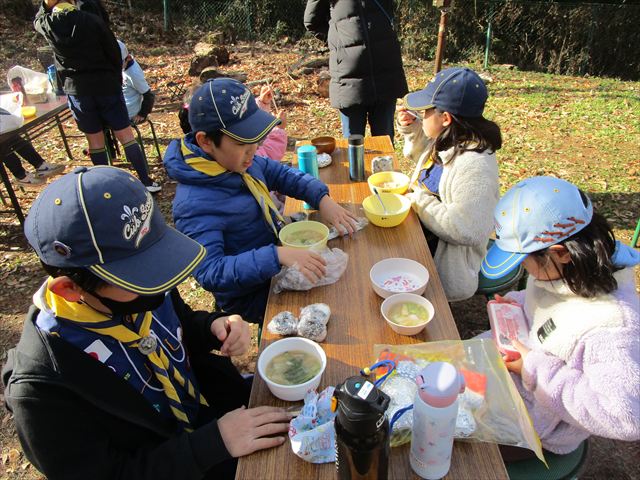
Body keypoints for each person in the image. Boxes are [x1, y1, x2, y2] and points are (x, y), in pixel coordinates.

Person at [1, 166, 292, 480]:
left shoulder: (145, 286)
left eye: (157, 261)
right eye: (139, 276)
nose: (160, 282)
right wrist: (210, 444)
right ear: (69, 289)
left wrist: (211, 326)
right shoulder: (42, 390)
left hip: (216, 425)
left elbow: (178, 324)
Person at [164, 78, 357, 324]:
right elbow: (210, 271)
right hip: (251, 294)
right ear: (205, 141)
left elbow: (282, 174)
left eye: (255, 139)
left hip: (277, 262)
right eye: (241, 143)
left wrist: (321, 198)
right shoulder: (194, 204)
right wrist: (276, 256)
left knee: (350, 277)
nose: (253, 150)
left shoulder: (237, 160)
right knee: (340, 312)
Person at [480, 176, 640, 459]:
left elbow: (625, 417)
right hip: (512, 387)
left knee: (445, 435)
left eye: (525, 261)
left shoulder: (611, 325)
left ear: (562, 253)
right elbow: (549, 306)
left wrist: (533, 368)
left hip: (536, 431)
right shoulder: (565, 271)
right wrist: (517, 306)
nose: (527, 271)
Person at [34, 0, 161, 193]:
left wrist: (47, 4)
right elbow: (112, 53)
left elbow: (38, 18)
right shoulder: (92, 21)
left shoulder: (49, 24)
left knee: (95, 142)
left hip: (78, 91)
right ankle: (146, 181)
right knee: (126, 136)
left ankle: (106, 188)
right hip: (106, 86)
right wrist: (115, 81)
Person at [398, 67, 501, 301]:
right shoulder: (451, 138)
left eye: (426, 112)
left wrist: (418, 200)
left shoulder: (475, 165)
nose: (421, 115)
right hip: (421, 232)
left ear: (446, 119)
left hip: (445, 264)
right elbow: (426, 163)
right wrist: (413, 128)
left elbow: (467, 230)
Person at [304, 0, 408, 140]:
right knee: (354, 148)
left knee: (384, 146)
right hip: (348, 80)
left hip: (385, 73)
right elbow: (312, 22)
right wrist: (340, 42)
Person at [117, 39, 155, 125]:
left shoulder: (133, 74)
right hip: (122, 104)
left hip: (129, 110)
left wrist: (142, 113)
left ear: (128, 58)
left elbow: (149, 95)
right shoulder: (125, 66)